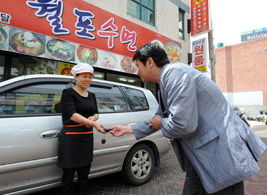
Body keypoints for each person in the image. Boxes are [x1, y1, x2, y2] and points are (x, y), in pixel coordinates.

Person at [110, 43, 267, 195]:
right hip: (202, 155)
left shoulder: (175, 74)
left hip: (221, 153)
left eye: (138, 65)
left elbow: (183, 125)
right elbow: (156, 120)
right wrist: (128, 129)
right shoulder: (166, 82)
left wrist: (162, 122)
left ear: (149, 62)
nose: (137, 72)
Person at [58, 62, 106, 195]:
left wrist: (93, 119)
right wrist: (93, 124)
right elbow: (72, 115)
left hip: (86, 138)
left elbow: (96, 113)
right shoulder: (68, 93)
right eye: (84, 76)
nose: (87, 80)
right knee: (68, 177)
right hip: (71, 139)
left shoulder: (92, 95)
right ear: (76, 77)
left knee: (84, 176)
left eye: (90, 77)